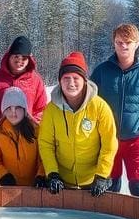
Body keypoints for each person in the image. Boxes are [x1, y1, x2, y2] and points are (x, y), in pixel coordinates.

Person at [90, 24, 139, 198]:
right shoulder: (102, 70)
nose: (123, 46)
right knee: (108, 187)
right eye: (119, 42)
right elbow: (90, 100)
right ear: (114, 43)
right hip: (108, 139)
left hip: (136, 139)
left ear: (137, 44)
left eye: (128, 42)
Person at [38, 52, 118, 196]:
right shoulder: (51, 109)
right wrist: (52, 173)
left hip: (93, 181)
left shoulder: (99, 107)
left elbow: (109, 143)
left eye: (76, 78)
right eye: (66, 78)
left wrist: (101, 175)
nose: (71, 83)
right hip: (62, 181)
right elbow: (45, 143)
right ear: (60, 81)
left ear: (84, 80)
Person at [0, 35, 48, 128]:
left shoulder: (36, 80)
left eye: (24, 58)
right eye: (16, 56)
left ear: (29, 59)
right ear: (9, 56)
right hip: (0, 134)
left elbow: (41, 109)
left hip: (27, 134)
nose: (19, 60)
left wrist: (33, 126)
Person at [0, 86, 46, 187]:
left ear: (25, 110)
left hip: (34, 187)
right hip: (9, 189)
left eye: (18, 108)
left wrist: (41, 175)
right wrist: (3, 175)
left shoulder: (36, 130)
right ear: (4, 111)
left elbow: (43, 157)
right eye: (9, 108)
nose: (13, 112)